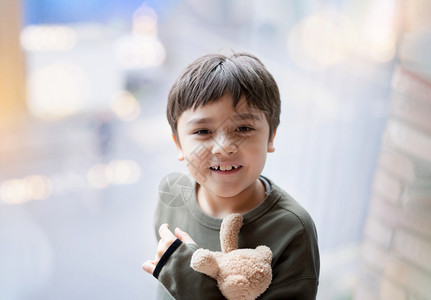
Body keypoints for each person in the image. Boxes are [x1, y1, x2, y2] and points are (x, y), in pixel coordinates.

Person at [142, 52, 320, 299]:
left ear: (271, 137)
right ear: (179, 144)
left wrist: (194, 286)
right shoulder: (173, 195)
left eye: (244, 128)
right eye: (203, 131)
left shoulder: (292, 229)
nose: (224, 147)